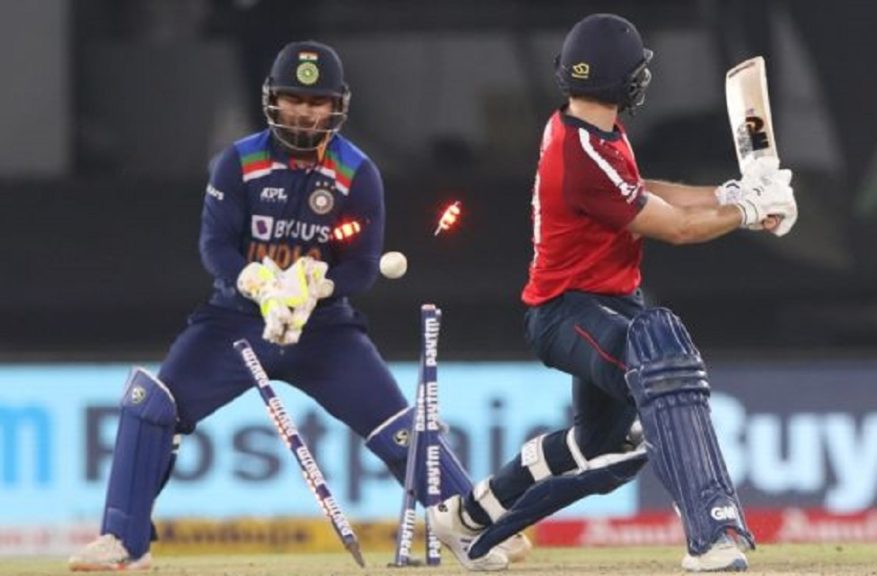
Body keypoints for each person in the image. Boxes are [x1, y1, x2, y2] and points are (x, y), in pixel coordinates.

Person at [68, 40, 524, 572]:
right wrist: (256, 282)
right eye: (294, 99)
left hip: (324, 331)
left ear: (336, 106)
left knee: (402, 428)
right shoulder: (239, 162)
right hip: (236, 324)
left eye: (316, 101)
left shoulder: (356, 172)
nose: (304, 112)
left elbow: (362, 265)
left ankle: (480, 527)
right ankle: (124, 543)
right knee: (151, 405)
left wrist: (317, 288)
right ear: (273, 100)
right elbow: (215, 245)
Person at [427, 13, 796, 573]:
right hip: (567, 310)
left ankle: (465, 519)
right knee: (664, 367)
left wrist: (729, 194)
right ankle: (711, 536)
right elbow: (676, 228)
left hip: (602, 303)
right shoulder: (582, 153)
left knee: (597, 444)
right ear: (626, 80)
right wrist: (747, 211)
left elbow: (640, 190)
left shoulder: (586, 130)